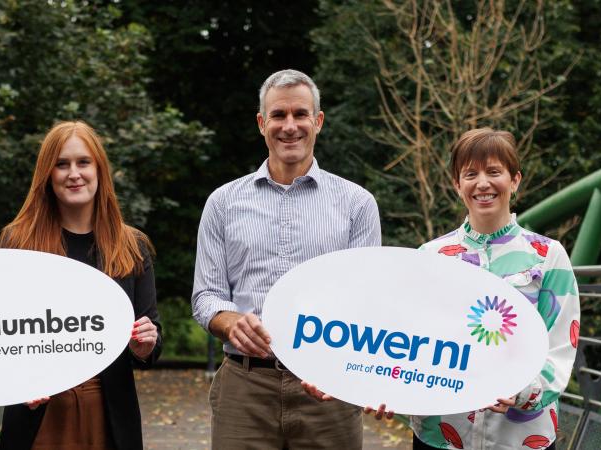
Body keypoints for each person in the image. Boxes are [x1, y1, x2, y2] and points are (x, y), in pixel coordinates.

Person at [310, 128, 580, 450]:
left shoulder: (547, 256)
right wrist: (377, 386)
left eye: (494, 172)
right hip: (440, 437)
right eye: (470, 174)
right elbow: (404, 338)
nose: (483, 183)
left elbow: (562, 346)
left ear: (515, 180)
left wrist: (524, 393)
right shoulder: (431, 256)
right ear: (457, 185)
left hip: (520, 439)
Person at [191, 69, 382, 449]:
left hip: (328, 387)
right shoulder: (223, 202)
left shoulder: (357, 204)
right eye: (278, 115)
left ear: (318, 121)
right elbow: (206, 296)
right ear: (262, 124)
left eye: (300, 114)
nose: (289, 126)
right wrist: (229, 322)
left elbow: (366, 302)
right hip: (245, 388)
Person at [0, 120, 161, 450]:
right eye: (62, 164)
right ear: (47, 174)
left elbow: (151, 340)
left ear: (99, 170)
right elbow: (0, 334)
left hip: (109, 412)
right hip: (38, 413)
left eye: (83, 162)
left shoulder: (132, 246)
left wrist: (146, 344)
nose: (74, 173)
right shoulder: (18, 242)